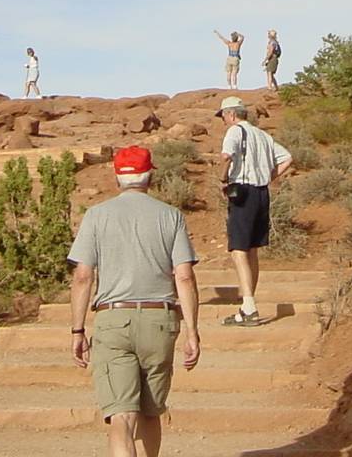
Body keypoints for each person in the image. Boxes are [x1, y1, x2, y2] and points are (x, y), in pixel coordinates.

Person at [68, 145, 201, 457]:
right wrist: (192, 330)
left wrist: (77, 330)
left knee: (121, 416)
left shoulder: (97, 216)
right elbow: (184, 276)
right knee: (152, 412)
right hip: (160, 321)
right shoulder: (171, 216)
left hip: (113, 321)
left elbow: (83, 277)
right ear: (150, 175)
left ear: (117, 176)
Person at [215, 95, 292, 327]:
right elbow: (287, 158)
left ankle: (249, 307)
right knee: (252, 250)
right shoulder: (262, 135)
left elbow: (226, 156)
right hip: (261, 193)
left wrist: (223, 180)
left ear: (230, 114)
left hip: (243, 192)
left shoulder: (235, 131)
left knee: (238, 248)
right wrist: (269, 177)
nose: (223, 121)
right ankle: (247, 306)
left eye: (223, 117)